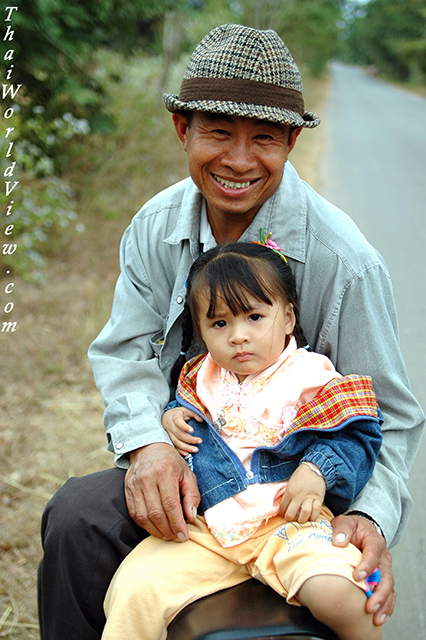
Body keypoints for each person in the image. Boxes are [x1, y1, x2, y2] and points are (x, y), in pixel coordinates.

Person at [38, 23, 424, 640]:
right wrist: (148, 444)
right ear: (182, 130)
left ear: (292, 142)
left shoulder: (345, 263)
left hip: (300, 494)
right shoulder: (154, 226)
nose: (239, 161)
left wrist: (371, 519)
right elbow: (124, 350)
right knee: (77, 518)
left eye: (264, 138)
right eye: (218, 132)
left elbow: (394, 415)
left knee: (343, 596)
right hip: (195, 472)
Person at [101, 241, 384, 640]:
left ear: (287, 317)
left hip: (289, 525)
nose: (238, 336)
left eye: (254, 316)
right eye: (219, 324)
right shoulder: (200, 376)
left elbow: (359, 432)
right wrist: (170, 416)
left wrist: (317, 469)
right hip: (208, 531)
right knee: (131, 590)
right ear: (200, 331)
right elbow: (185, 410)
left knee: (351, 591)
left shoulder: (310, 375)